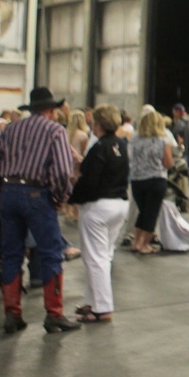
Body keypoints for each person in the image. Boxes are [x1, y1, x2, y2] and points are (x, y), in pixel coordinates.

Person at [0, 87, 81, 333]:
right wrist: (60, 197)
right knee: (51, 252)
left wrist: (4, 183)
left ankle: (12, 314)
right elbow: (64, 170)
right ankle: (54, 314)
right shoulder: (55, 130)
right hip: (37, 194)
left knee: (11, 254)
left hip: (9, 193)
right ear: (50, 110)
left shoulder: (10, 128)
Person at [68, 104, 129, 323]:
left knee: (95, 258)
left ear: (99, 124)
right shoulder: (120, 145)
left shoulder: (100, 147)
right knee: (104, 256)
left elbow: (90, 181)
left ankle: (102, 308)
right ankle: (92, 301)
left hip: (99, 207)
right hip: (119, 205)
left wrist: (72, 194)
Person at [128, 110, 173, 255]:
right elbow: (168, 163)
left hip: (136, 181)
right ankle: (144, 245)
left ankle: (136, 242)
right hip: (156, 179)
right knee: (151, 214)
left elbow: (130, 157)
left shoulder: (134, 138)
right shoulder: (163, 139)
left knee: (143, 212)